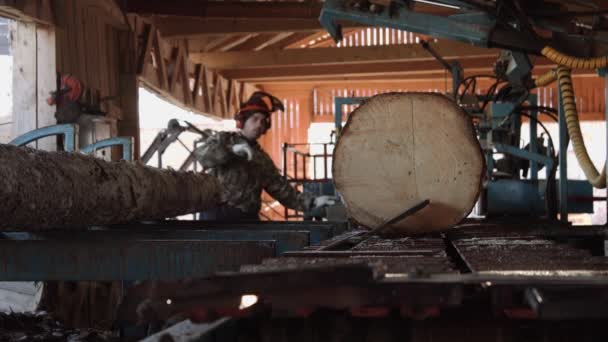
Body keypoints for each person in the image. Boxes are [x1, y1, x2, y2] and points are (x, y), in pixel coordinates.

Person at [195, 91, 337, 221]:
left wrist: (313, 202)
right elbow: (202, 156)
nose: (259, 124)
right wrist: (230, 150)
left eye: (263, 121)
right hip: (215, 217)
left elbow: (281, 190)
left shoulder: (262, 159)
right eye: (255, 119)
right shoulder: (223, 140)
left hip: (246, 220)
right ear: (242, 121)